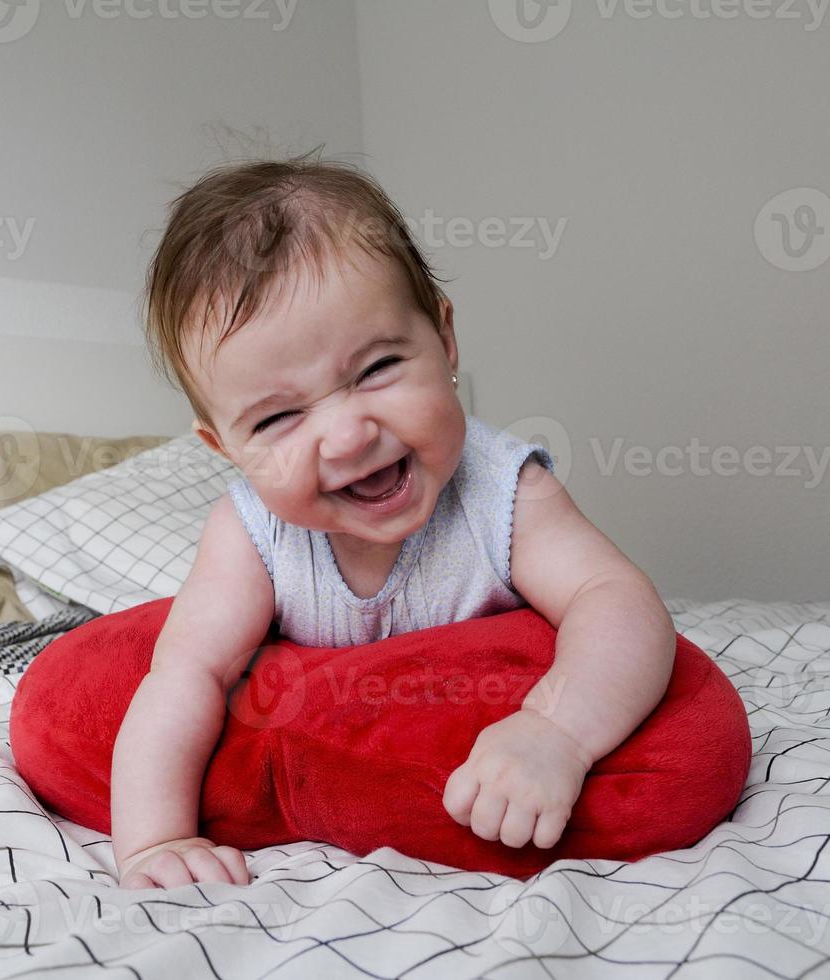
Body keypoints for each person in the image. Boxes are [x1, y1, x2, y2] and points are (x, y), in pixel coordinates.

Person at [112, 150, 676, 889]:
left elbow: (616, 599)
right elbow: (184, 673)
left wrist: (556, 731)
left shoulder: (505, 492)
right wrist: (154, 843)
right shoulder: (252, 536)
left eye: (377, 368)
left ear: (444, 341)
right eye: (280, 417)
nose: (348, 436)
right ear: (227, 449)